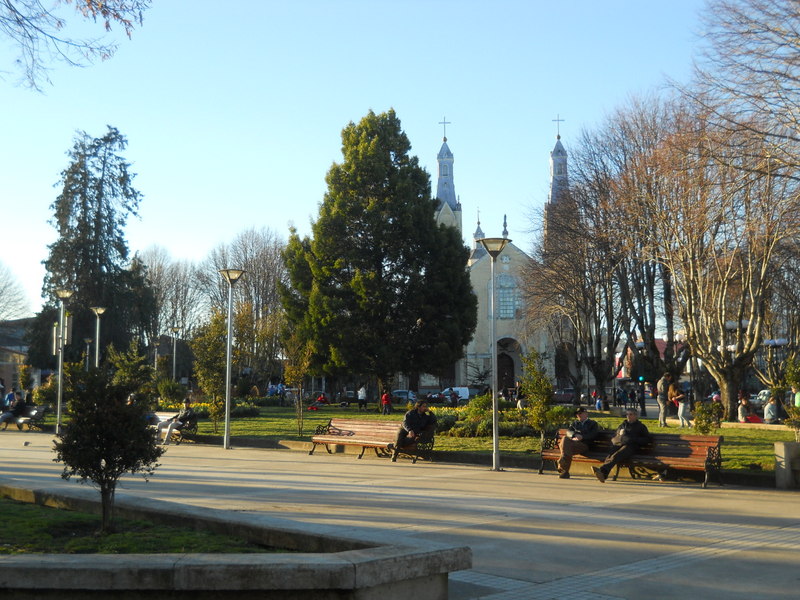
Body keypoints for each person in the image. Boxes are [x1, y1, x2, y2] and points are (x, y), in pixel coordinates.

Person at [592, 408, 651, 483]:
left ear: (636, 416)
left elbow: (647, 439)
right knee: (611, 454)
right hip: (619, 444)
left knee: (616, 455)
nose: (628, 416)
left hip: (632, 447)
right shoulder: (622, 425)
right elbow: (615, 436)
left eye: (630, 414)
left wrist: (633, 439)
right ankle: (603, 474)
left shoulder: (640, 426)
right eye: (627, 414)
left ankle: (602, 471)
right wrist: (619, 437)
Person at [557, 406, 599, 479]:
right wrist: (574, 435)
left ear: (586, 414)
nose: (578, 415)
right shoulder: (575, 424)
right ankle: (564, 469)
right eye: (577, 414)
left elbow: (593, 435)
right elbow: (568, 432)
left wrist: (582, 437)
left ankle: (563, 466)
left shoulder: (592, 423)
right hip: (573, 444)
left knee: (565, 446)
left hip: (584, 445)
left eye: (580, 413)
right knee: (565, 440)